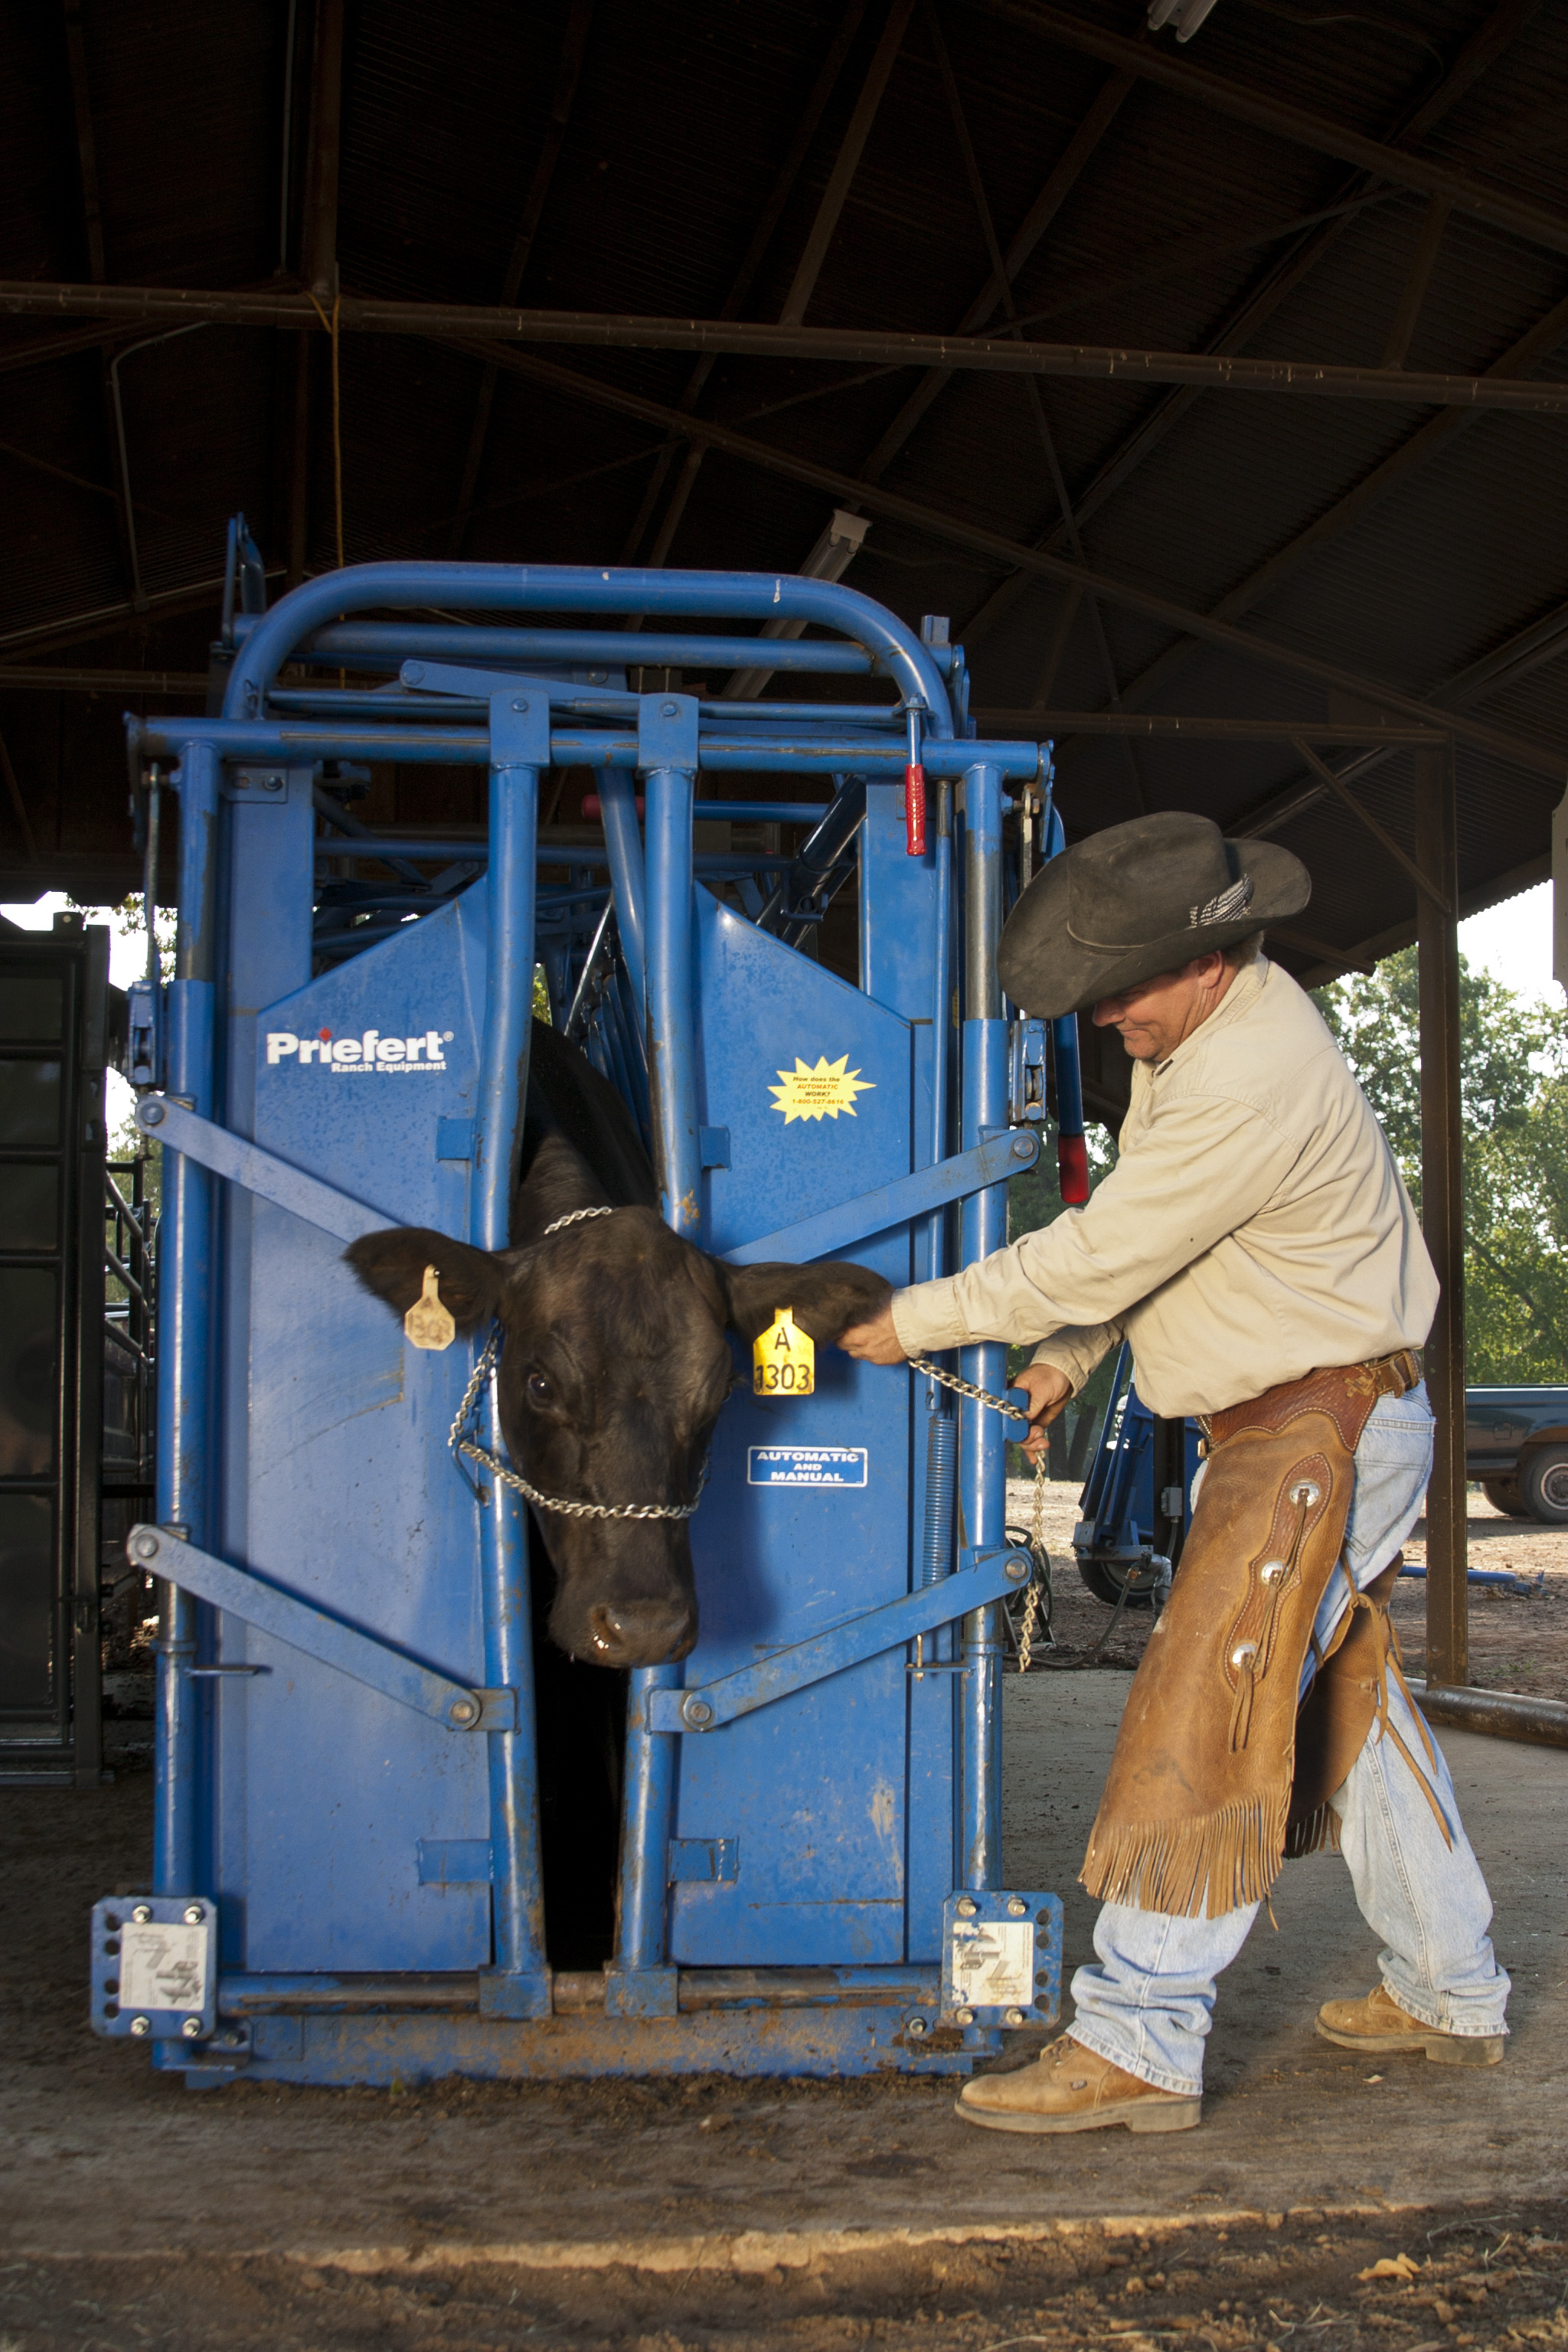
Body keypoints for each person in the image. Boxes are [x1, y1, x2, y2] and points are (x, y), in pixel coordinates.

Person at [840, 811, 1509, 2135]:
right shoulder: (1197, 1042)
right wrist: (1066, 1358)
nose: (1107, 1020)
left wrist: (913, 1320)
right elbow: (1158, 1242)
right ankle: (1454, 1986)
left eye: (1123, 991)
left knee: (1208, 1696)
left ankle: (1139, 2035)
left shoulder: (1251, 1071)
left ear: (1207, 962)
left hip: (1317, 1428)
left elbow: (1100, 1252)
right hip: (1295, 1421)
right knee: (1352, 1706)